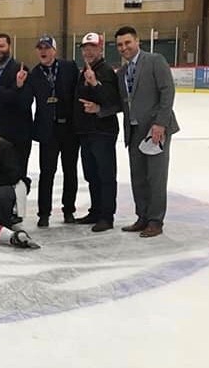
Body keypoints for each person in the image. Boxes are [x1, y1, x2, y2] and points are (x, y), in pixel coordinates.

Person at [115, 26, 179, 238]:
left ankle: (155, 220)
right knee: (139, 177)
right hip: (134, 131)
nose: (124, 48)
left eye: (127, 43)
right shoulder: (122, 72)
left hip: (155, 130)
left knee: (156, 177)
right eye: (120, 45)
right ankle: (142, 216)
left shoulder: (154, 60)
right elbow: (123, 103)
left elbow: (167, 91)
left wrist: (160, 123)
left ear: (137, 41)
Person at [28, 36, 80, 227]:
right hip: (47, 132)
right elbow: (25, 100)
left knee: (70, 171)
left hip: (69, 129)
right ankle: (44, 213)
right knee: (47, 173)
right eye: (40, 47)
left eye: (47, 47)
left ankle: (68, 211)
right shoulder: (34, 74)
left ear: (55, 50)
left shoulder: (69, 68)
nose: (43, 51)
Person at [74, 32, 121, 232]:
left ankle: (106, 216)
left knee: (105, 175)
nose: (88, 51)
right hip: (86, 132)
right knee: (92, 174)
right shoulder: (85, 69)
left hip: (102, 132)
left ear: (101, 49)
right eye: (85, 48)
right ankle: (96, 211)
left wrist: (95, 83)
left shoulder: (107, 71)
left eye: (92, 47)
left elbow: (112, 100)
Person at [0, 34, 33, 177]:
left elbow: (22, 101)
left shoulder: (21, 70)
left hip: (16, 136)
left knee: (17, 176)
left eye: (2, 46)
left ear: (9, 47)